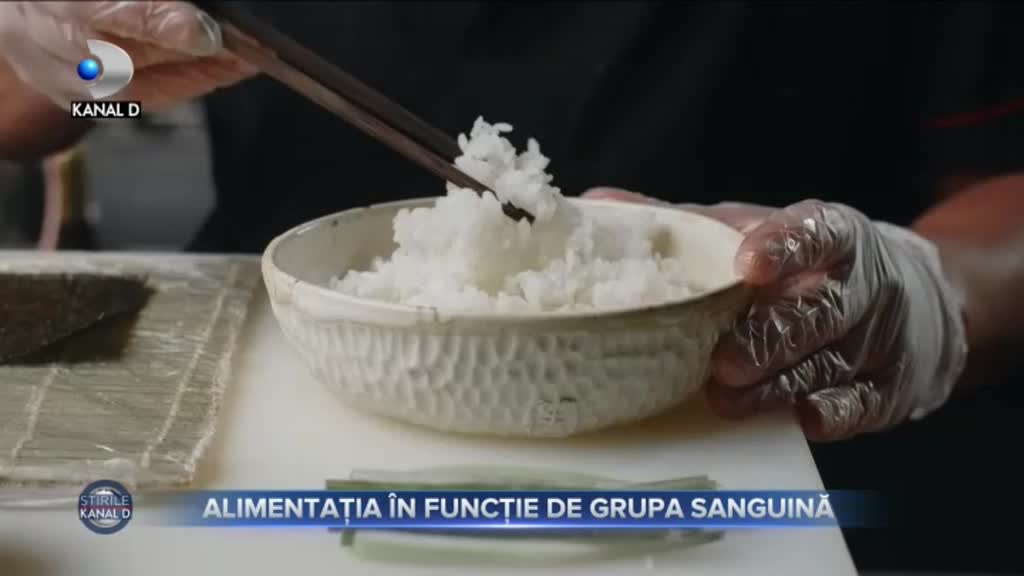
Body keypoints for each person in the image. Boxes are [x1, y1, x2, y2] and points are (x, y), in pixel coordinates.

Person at [1, 2, 1023, 570]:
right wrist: (80, 68)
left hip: (759, 439)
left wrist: (931, 293)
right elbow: (30, 114)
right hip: (256, 414)